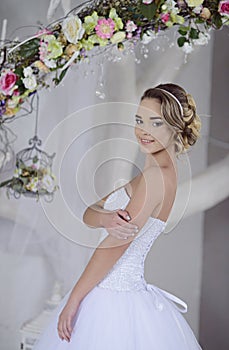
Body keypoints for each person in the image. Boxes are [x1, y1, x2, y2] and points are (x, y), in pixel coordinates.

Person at [33, 82, 202, 349]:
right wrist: (105, 218)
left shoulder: (156, 177)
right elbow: (90, 213)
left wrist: (74, 299)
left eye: (155, 123)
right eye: (139, 120)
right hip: (110, 292)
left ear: (174, 126)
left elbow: (115, 245)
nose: (143, 130)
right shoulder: (149, 175)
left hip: (113, 298)